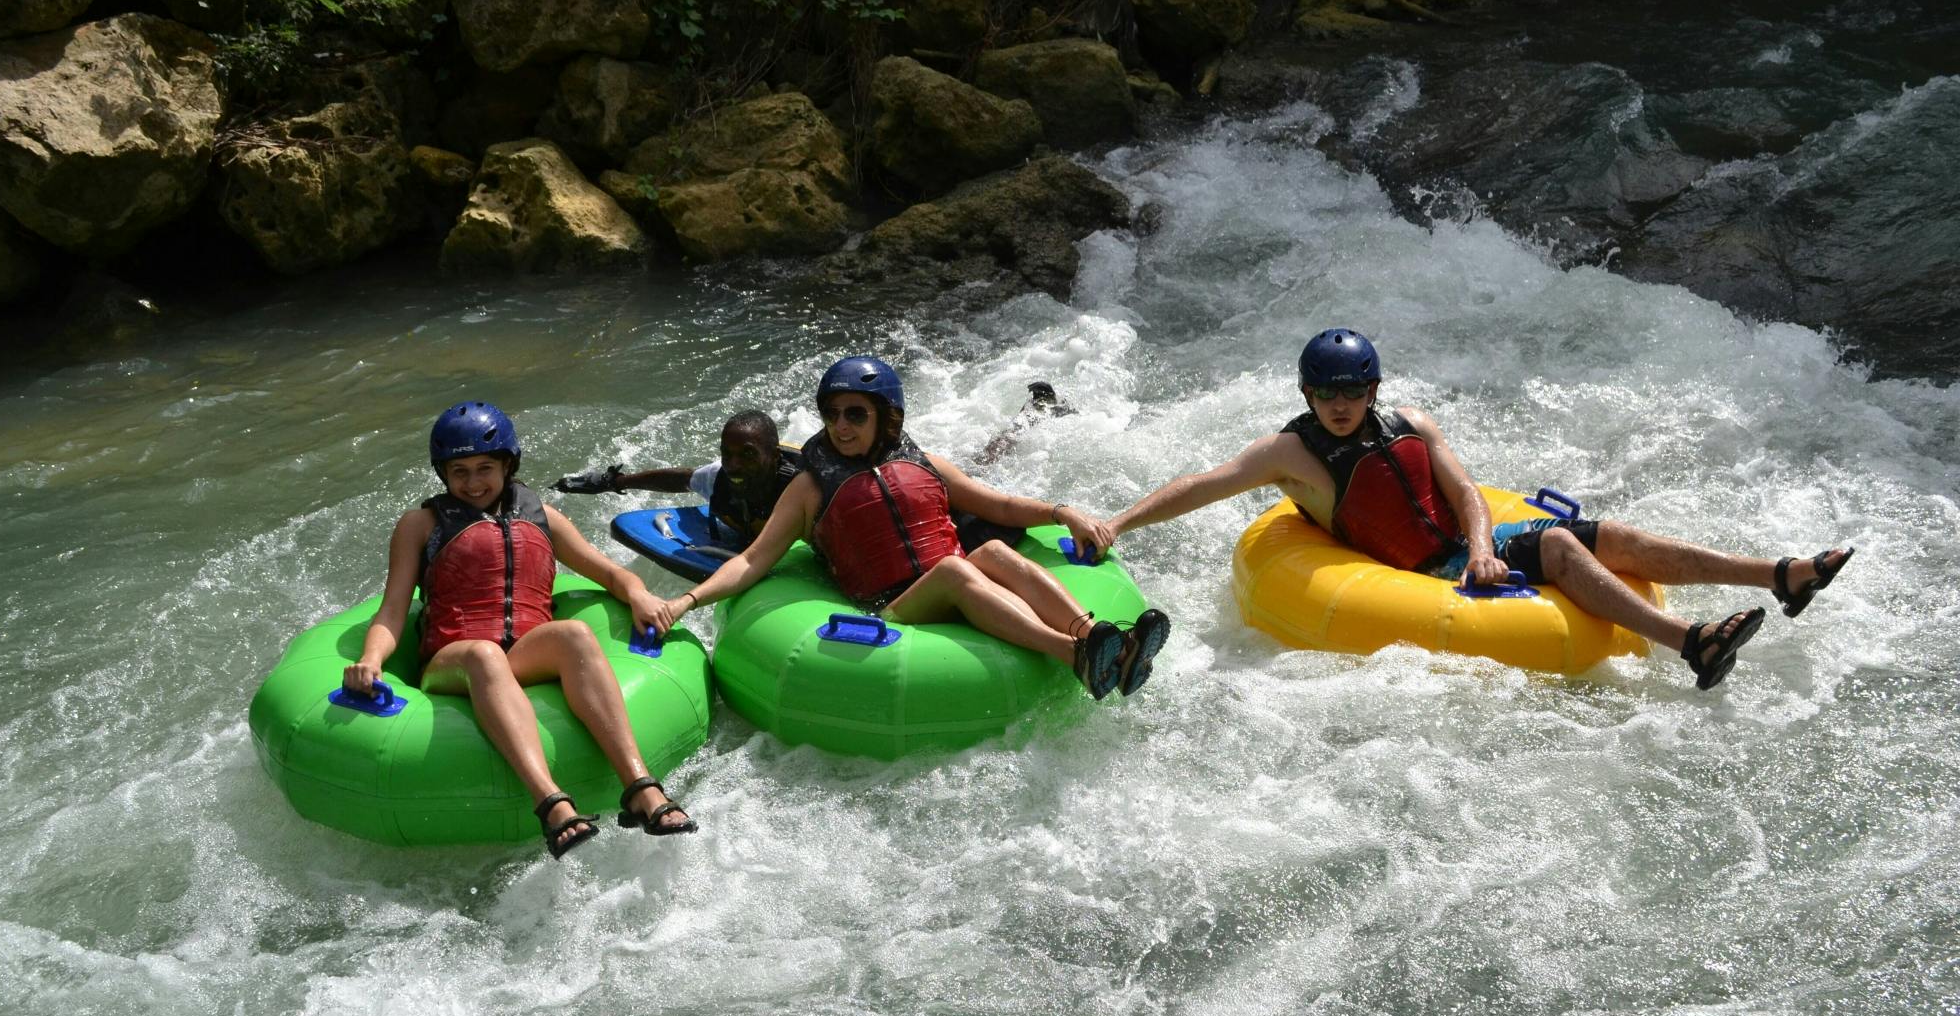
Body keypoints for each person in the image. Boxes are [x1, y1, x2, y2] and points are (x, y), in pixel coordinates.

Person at [1087, 329, 1854, 691]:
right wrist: (1120, 522)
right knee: (1561, 552)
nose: (1342, 405)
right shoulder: (1290, 454)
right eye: (1328, 394)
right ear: (1307, 395)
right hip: (1423, 570)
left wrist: (1485, 545)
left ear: (1375, 390)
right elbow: (1203, 482)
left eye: (1354, 392)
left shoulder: (1412, 421)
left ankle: (1778, 574)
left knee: (1611, 534)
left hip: (1466, 547)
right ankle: (1691, 642)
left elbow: (1462, 492)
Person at [646, 356, 1171, 700]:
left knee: (993, 553)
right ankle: (1073, 654)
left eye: (855, 413)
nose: (841, 426)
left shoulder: (925, 463)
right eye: (831, 415)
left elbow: (1002, 504)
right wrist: (685, 602)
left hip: (949, 579)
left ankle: (1104, 641)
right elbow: (751, 560)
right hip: (893, 607)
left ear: (886, 418)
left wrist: (1063, 512)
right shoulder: (809, 488)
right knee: (956, 570)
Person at [344, 401, 698, 858]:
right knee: (484, 656)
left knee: (574, 633)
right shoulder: (422, 524)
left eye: (485, 468)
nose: (472, 483)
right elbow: (393, 610)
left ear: (508, 465)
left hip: (522, 653)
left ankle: (640, 787)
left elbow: (610, 573)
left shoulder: (543, 515)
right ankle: (551, 803)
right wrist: (371, 661)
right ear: (442, 474)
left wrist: (637, 593)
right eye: (459, 471)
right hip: (454, 661)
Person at [554, 410, 801, 555]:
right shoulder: (719, 478)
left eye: (747, 454)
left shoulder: (803, 489)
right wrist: (614, 481)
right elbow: (682, 479)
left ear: (775, 456)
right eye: (727, 453)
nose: (733, 464)